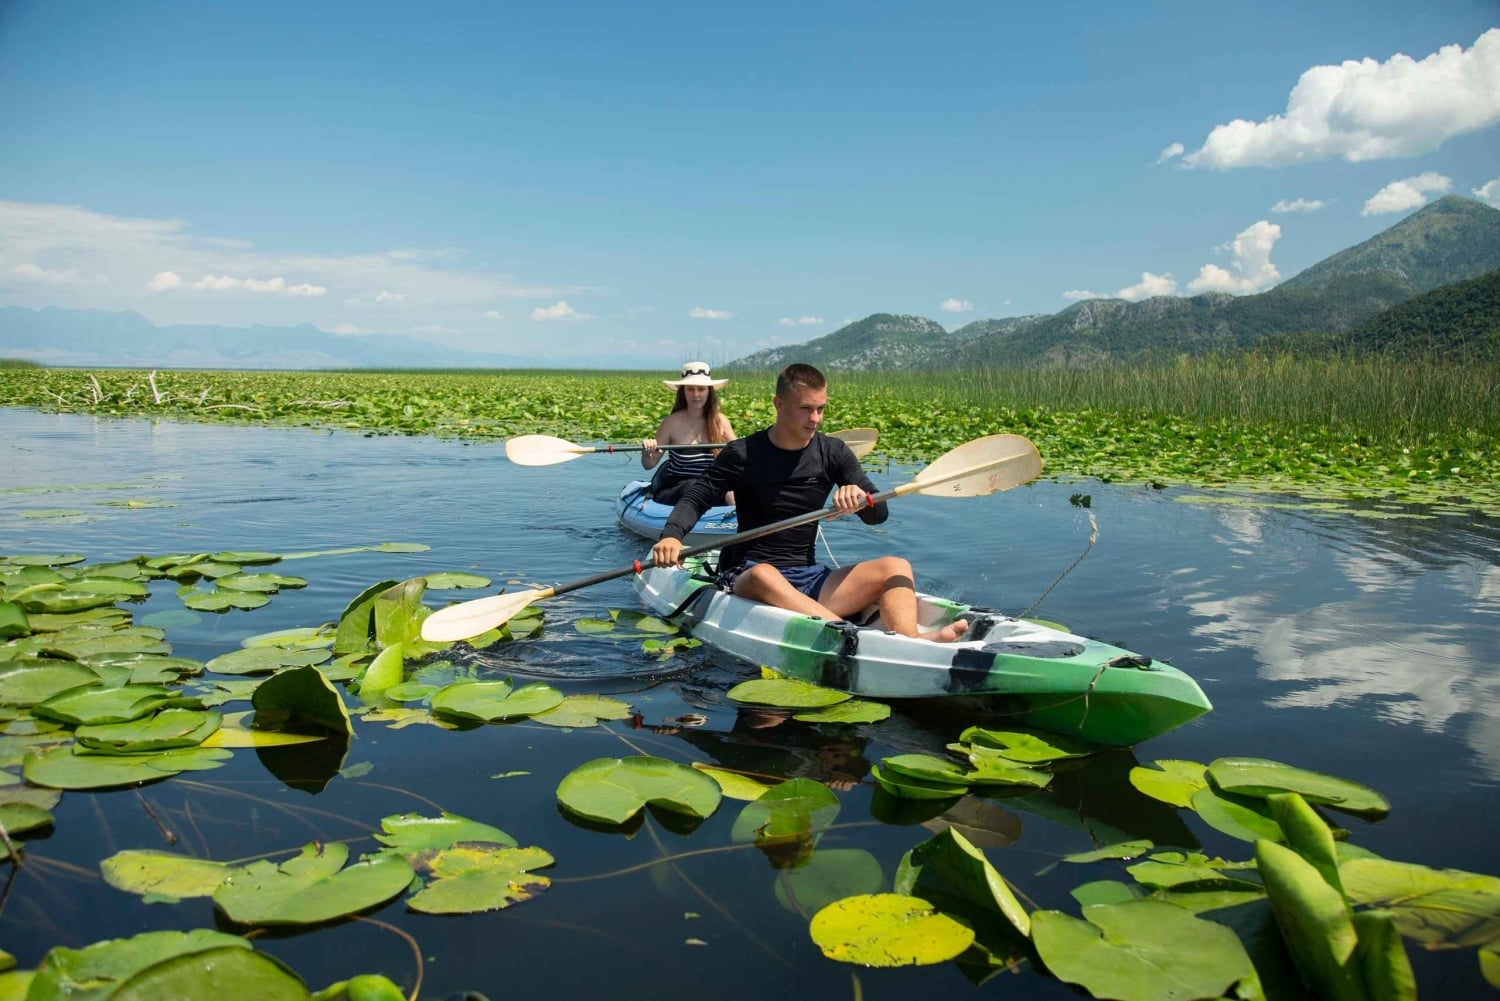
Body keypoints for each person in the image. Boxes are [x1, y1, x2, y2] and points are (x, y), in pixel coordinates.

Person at [650, 362, 968, 643]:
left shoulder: (833, 452)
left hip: (810, 577)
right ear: (779, 404)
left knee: (896, 567)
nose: (815, 418)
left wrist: (860, 502)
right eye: (805, 409)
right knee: (765, 574)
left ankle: (910, 643)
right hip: (748, 574)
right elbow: (696, 497)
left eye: (821, 408)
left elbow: (879, 515)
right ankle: (845, 633)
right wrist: (672, 535)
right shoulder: (742, 454)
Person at [640, 361, 737, 506]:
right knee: (694, 486)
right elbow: (649, 464)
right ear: (683, 392)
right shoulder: (670, 423)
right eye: (690, 389)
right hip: (678, 488)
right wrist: (647, 452)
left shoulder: (721, 422)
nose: (696, 394)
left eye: (701, 389)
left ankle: (736, 522)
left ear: (709, 391)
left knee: (732, 488)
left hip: (711, 486)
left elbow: (740, 457)